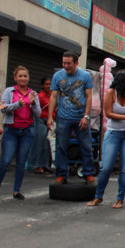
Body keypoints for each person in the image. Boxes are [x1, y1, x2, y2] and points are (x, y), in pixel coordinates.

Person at [87, 70, 125, 209]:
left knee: (124, 169)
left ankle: (120, 199)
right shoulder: (111, 92)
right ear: (122, 79)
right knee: (106, 168)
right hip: (113, 134)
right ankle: (98, 197)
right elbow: (108, 113)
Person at [0, 66, 41, 200]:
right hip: (11, 131)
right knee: (5, 161)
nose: (23, 78)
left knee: (21, 162)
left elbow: (38, 114)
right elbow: (3, 108)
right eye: (20, 76)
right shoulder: (9, 91)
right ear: (15, 78)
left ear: (28, 78)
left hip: (27, 131)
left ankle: (16, 191)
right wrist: (18, 104)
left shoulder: (33, 93)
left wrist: (32, 103)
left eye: (25, 76)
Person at [47, 51, 95, 185]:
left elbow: (89, 96)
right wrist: (50, 117)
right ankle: (62, 175)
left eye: (69, 63)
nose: (66, 66)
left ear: (76, 63)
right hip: (63, 117)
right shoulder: (58, 76)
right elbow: (53, 96)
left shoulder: (85, 76)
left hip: (81, 117)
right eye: (64, 63)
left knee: (86, 146)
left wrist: (86, 116)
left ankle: (88, 174)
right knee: (61, 146)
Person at [28, 77, 53, 174]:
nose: (48, 86)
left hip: (50, 122)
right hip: (41, 121)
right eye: (46, 84)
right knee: (39, 143)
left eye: (50, 84)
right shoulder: (40, 96)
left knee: (47, 145)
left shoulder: (52, 95)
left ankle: (46, 165)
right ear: (42, 86)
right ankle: (36, 165)